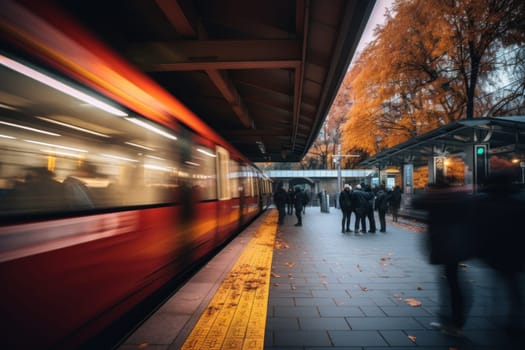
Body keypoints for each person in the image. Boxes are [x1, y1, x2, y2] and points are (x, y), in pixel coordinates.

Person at [412, 179, 475, 337]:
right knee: (453, 282)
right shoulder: (461, 199)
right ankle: (455, 322)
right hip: (459, 244)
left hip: (443, 245)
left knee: (450, 283)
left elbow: (416, 202)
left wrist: (435, 193)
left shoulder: (435, 201)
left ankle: (450, 322)